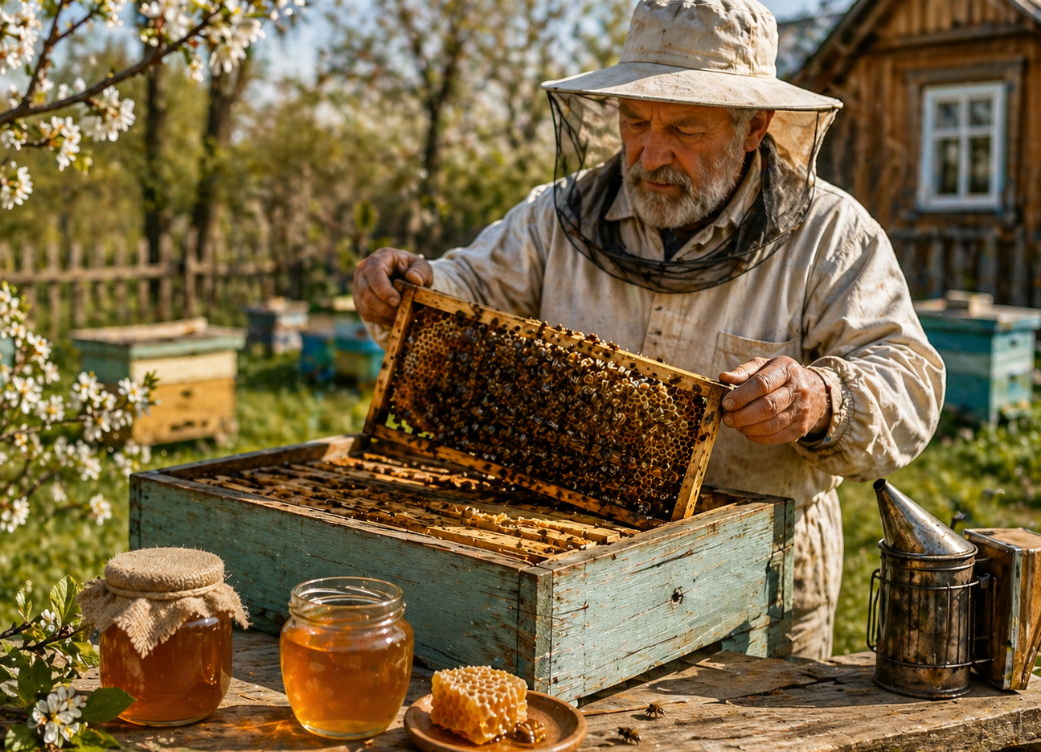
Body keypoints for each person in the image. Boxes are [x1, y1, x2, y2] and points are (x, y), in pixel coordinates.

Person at [352, 0, 945, 659]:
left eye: (685, 129)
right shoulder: (557, 215)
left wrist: (820, 398)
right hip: (575, 551)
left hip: (756, 574)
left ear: (755, 128)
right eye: (635, 121)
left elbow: (909, 380)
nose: (651, 151)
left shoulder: (833, 235)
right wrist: (415, 286)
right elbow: (477, 284)